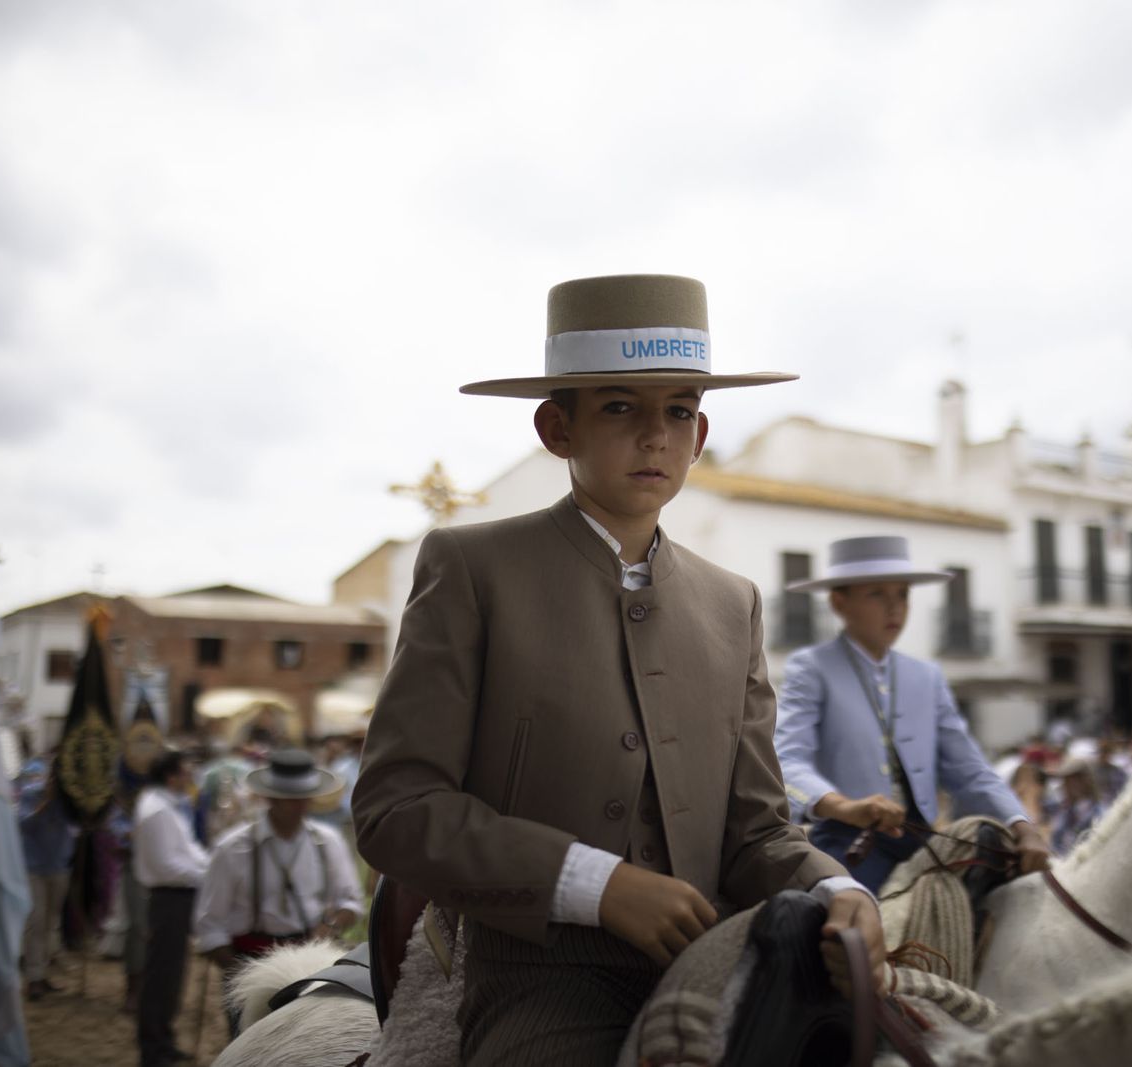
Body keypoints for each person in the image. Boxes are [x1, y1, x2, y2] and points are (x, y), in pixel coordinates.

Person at [352, 273, 884, 1066]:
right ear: (556, 426)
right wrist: (593, 883)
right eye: (619, 407)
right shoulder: (472, 566)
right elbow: (397, 806)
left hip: (725, 950)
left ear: (700, 435)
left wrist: (838, 887)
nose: (655, 435)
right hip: (544, 976)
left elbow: (758, 827)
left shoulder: (731, 601)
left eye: (677, 410)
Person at [774, 536, 1052, 893]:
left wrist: (1022, 826)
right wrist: (844, 806)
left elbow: (968, 768)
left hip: (924, 841)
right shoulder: (811, 668)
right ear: (839, 603)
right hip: (849, 844)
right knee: (851, 931)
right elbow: (786, 760)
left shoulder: (926, 676)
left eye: (902, 595)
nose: (895, 608)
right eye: (877, 594)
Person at [193, 749, 362, 1035]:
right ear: (269, 797)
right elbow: (210, 924)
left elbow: (351, 901)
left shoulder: (327, 842)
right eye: (289, 798)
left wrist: (330, 925)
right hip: (250, 959)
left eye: (303, 796)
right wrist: (241, 976)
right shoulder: (233, 847)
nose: (298, 804)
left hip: (310, 958)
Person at [131, 749, 208, 1067]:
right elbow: (167, 865)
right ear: (170, 775)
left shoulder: (168, 806)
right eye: (184, 770)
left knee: (173, 973)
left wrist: (210, 866)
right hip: (169, 897)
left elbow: (188, 850)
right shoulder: (157, 810)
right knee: (161, 974)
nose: (189, 775)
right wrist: (207, 875)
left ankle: (164, 1038)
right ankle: (153, 1047)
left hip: (180, 895)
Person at [16, 761, 77, 1000]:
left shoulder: (69, 800)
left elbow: (79, 825)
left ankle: (42, 973)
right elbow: (23, 824)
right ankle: (33, 978)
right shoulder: (32, 793)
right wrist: (46, 803)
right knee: (36, 921)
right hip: (34, 867)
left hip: (59, 866)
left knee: (51, 922)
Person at [1043, 758, 1104, 856]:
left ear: (1084, 780)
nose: (1064, 785)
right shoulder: (1064, 811)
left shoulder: (1098, 815)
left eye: (1069, 780)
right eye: (1065, 781)